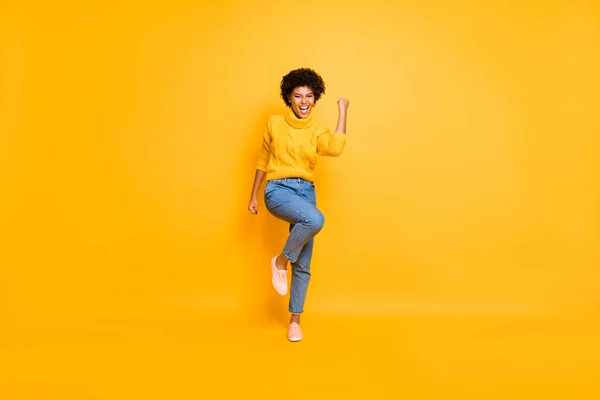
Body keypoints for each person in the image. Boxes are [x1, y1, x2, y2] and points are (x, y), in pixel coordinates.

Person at [247, 67, 349, 342]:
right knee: (315, 220)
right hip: (278, 189)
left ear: (315, 99)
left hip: (306, 193)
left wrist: (343, 111)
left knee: (303, 264)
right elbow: (262, 160)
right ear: (288, 98)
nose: (304, 101)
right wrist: (253, 195)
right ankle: (280, 261)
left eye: (309, 96)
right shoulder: (274, 123)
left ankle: (295, 321)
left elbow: (336, 148)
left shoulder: (317, 131)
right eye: (297, 96)